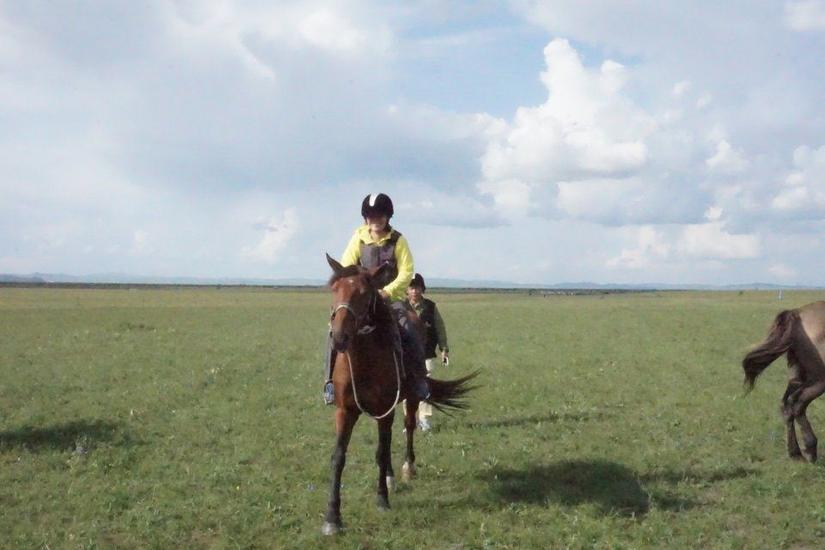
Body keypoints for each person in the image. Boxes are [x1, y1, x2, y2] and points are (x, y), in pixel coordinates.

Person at [323, 193, 430, 404]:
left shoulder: (398, 240)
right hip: (363, 298)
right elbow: (347, 267)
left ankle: (419, 379)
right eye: (371, 216)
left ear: (388, 217)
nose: (375, 220)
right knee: (335, 329)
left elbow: (407, 272)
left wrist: (388, 291)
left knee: (409, 327)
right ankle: (329, 383)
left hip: (392, 298)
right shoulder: (358, 237)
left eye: (380, 216)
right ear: (366, 218)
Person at [406, 273, 449, 431]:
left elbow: (440, 328)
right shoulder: (401, 307)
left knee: (424, 386)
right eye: (411, 288)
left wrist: (444, 349)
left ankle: (424, 419)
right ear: (406, 290)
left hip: (427, 354)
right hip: (407, 356)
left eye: (417, 288)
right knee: (408, 387)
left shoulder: (431, 307)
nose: (414, 291)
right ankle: (410, 419)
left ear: (422, 289)